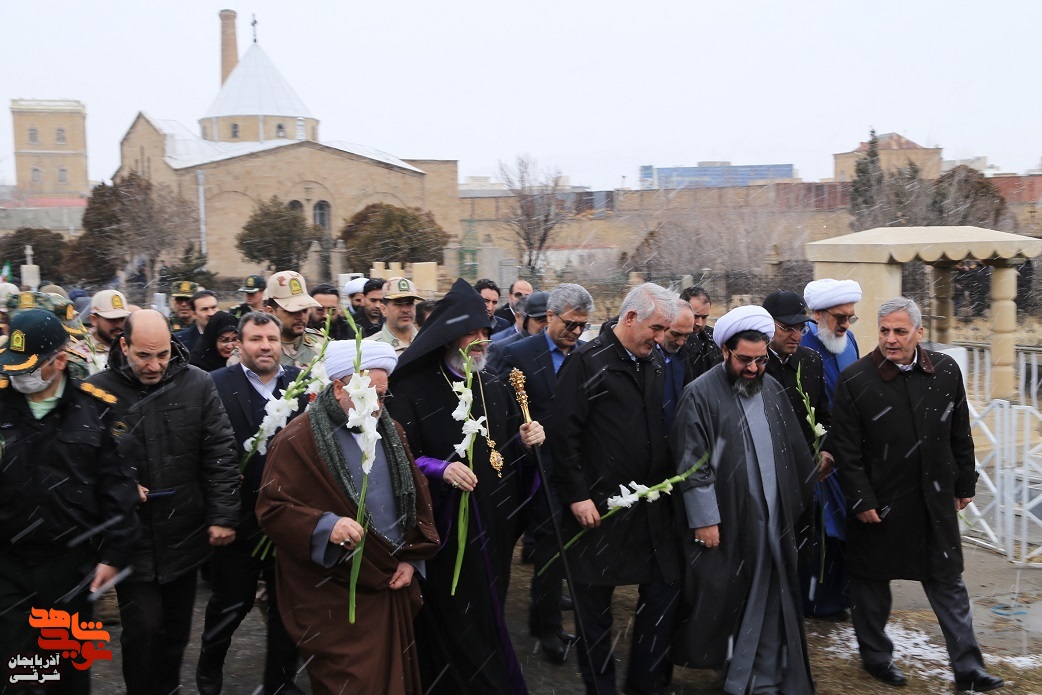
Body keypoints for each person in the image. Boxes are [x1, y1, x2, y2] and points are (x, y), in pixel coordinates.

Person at [829, 298, 1004, 692]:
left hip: (932, 500)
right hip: (880, 502)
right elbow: (846, 449)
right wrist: (861, 499)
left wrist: (965, 483)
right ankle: (876, 658)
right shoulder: (856, 379)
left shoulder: (945, 371)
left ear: (919, 333)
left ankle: (968, 669)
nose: (890, 339)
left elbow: (960, 431)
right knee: (871, 584)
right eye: (884, 330)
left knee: (948, 582)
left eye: (900, 331)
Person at [387, 278, 545, 694]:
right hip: (444, 530)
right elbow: (398, 458)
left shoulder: (493, 384)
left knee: (488, 613)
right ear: (448, 334)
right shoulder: (413, 388)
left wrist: (527, 443)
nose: (480, 341)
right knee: (454, 618)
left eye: (485, 332)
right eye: (471, 332)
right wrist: (439, 469)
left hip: (493, 526)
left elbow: (505, 455)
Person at [257, 340, 440, 695]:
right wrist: (327, 526)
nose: (376, 406)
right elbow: (273, 509)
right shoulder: (297, 439)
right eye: (367, 395)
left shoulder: (392, 430)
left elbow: (416, 501)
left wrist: (412, 560)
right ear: (339, 388)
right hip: (335, 595)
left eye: (382, 396)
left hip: (390, 584)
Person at [86, 310, 240, 695]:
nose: (154, 366)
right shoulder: (96, 392)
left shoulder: (198, 384)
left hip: (183, 532)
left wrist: (223, 515)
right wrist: (119, 485)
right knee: (143, 630)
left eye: (162, 354)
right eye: (143, 356)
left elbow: (220, 453)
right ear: (124, 345)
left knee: (175, 632)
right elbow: (81, 464)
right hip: (131, 538)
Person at [670, 305, 817, 694]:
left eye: (760, 360)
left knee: (772, 593)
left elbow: (791, 448)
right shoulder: (699, 394)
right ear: (725, 351)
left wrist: (804, 485)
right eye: (744, 360)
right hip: (730, 519)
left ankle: (763, 674)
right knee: (733, 595)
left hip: (774, 517)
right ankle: (742, 674)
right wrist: (705, 519)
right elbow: (693, 463)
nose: (753, 368)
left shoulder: (772, 388)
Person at [0, 310, 139, 693]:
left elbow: (118, 488)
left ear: (60, 361)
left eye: (29, 368)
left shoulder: (95, 410)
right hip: (8, 563)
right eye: (13, 367)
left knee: (66, 673)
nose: (19, 377)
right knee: (17, 672)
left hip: (69, 566)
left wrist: (114, 555)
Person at [553, 282, 681, 695]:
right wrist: (577, 495)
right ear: (630, 318)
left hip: (648, 507)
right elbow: (563, 436)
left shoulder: (654, 362)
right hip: (598, 509)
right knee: (594, 615)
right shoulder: (586, 362)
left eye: (664, 331)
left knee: (662, 595)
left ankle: (645, 685)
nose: (660, 339)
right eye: (656, 328)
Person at [196, 312, 308, 695]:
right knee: (230, 605)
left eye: (272, 339)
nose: (265, 346)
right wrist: (220, 505)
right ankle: (209, 670)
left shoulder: (302, 384)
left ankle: (280, 682)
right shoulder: (215, 384)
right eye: (256, 339)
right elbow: (203, 449)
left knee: (287, 610)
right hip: (238, 519)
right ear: (239, 344)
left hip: (288, 520)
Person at [499, 282, 593, 664]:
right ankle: (548, 628)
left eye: (583, 326)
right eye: (570, 324)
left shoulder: (587, 355)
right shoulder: (517, 355)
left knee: (567, 547)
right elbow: (501, 412)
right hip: (534, 470)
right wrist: (521, 438)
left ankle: (545, 619)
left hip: (576, 468)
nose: (576, 332)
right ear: (550, 316)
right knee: (549, 548)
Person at [762, 290, 844, 621]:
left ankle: (793, 616)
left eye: (800, 328)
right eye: (787, 328)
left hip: (803, 478)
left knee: (801, 550)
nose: (796, 335)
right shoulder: (752, 362)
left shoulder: (810, 360)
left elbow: (824, 415)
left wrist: (827, 451)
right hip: (763, 478)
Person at [801, 278, 862, 404]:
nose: (846, 325)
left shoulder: (849, 339)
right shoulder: (799, 342)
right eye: (840, 317)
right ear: (818, 313)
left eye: (850, 318)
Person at [262, 271, 324, 368]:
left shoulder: (321, 344)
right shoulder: (255, 350)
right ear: (270, 312)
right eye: (292, 311)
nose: (301, 316)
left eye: (305, 310)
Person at [486, 291, 549, 372]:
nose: (546, 325)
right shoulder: (501, 348)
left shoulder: (559, 347)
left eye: (550, 319)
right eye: (540, 319)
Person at [659, 300, 697, 432]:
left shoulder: (684, 355)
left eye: (687, 335)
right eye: (675, 334)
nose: (681, 342)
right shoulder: (642, 356)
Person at [367, 277, 424, 354]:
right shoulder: (370, 347)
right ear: (383, 309)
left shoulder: (427, 342)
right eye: (398, 304)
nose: (405, 310)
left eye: (410, 303)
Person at [679, 285, 722, 379]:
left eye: (704, 317)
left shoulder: (714, 338)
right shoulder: (672, 340)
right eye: (695, 316)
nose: (699, 323)